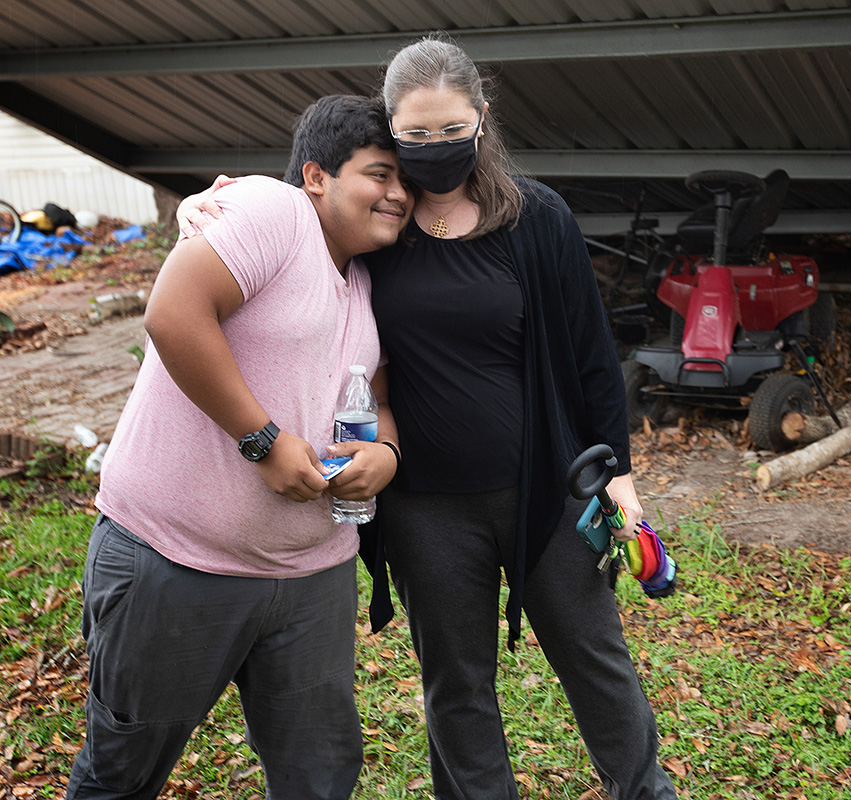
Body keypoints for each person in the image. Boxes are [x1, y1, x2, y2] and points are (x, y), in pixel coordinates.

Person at [179, 34, 679, 800]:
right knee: (457, 683)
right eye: (415, 136)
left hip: (545, 488)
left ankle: (646, 791)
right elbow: (291, 210)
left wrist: (619, 479)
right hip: (425, 507)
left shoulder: (535, 216)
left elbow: (590, 357)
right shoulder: (377, 225)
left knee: (596, 660)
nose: (435, 149)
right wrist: (203, 207)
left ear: (481, 118)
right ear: (391, 127)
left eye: (451, 131)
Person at [66, 94, 408, 800]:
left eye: (407, 182)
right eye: (380, 174)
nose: (399, 194)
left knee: (319, 777)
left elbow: (375, 397)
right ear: (317, 176)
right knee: (122, 774)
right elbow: (173, 311)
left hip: (313, 577)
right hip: (176, 561)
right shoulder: (273, 213)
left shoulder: (369, 281)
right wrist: (263, 440)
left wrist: (387, 456)